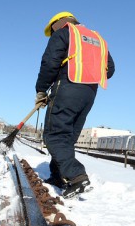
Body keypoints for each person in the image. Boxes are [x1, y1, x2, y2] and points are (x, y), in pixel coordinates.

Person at [35, 12, 115, 198]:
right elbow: (109, 70)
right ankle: (59, 176)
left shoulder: (64, 32)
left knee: (54, 135)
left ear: (57, 23)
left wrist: (41, 89)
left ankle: (77, 176)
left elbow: (50, 62)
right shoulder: (97, 38)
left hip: (68, 86)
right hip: (90, 93)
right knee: (67, 136)